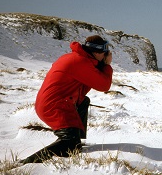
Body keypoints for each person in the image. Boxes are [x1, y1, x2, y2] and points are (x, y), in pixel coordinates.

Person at [20, 35, 113, 164]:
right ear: (96, 52)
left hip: (55, 102)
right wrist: (107, 66)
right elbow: (104, 85)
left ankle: (77, 139)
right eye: (104, 53)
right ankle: (28, 163)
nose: (106, 56)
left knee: (83, 101)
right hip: (55, 106)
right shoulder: (80, 62)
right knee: (69, 144)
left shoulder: (77, 58)